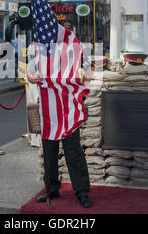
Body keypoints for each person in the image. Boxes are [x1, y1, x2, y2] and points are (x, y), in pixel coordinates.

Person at [27, 63, 95, 208]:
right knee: (49, 152)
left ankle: (82, 191)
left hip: (68, 109)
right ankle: (51, 188)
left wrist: (90, 72)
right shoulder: (40, 50)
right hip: (48, 108)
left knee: (74, 152)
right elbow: (28, 73)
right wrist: (33, 77)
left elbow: (87, 71)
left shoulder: (72, 49)